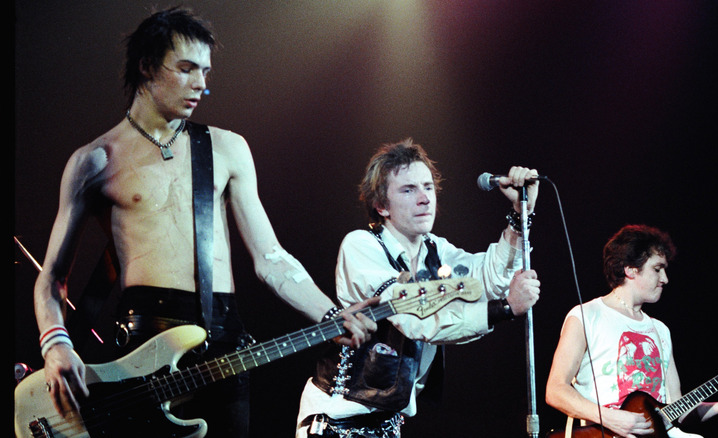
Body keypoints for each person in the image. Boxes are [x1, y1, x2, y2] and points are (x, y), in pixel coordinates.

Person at [33, 7, 376, 437]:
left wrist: (330, 312)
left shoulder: (228, 149)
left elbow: (271, 258)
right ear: (146, 66)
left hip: (225, 346)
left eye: (206, 71)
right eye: (186, 68)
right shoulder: (94, 160)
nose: (201, 84)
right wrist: (56, 344)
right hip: (143, 351)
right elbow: (52, 280)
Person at [295, 138, 543, 437]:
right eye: (409, 190)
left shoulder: (437, 251)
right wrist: (504, 308)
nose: (425, 198)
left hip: (388, 425)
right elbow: (414, 320)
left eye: (427, 187)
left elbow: (491, 278)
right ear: (381, 206)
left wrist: (519, 216)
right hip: (337, 421)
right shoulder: (361, 246)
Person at [545, 225, 718, 438]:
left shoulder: (660, 330)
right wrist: (611, 418)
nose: (665, 279)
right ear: (630, 269)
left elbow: (676, 409)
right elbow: (555, 390)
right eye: (657, 269)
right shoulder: (586, 316)